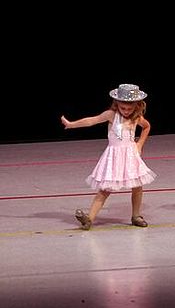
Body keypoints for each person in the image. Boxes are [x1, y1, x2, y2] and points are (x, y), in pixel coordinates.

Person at [61, 83, 157, 230]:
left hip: (130, 156)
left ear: (136, 106)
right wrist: (71, 124)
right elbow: (91, 120)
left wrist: (139, 144)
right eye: (122, 108)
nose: (125, 111)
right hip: (114, 157)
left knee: (137, 186)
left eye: (129, 108)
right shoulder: (111, 115)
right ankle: (89, 219)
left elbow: (147, 126)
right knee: (105, 189)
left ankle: (136, 216)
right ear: (117, 103)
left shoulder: (137, 117)